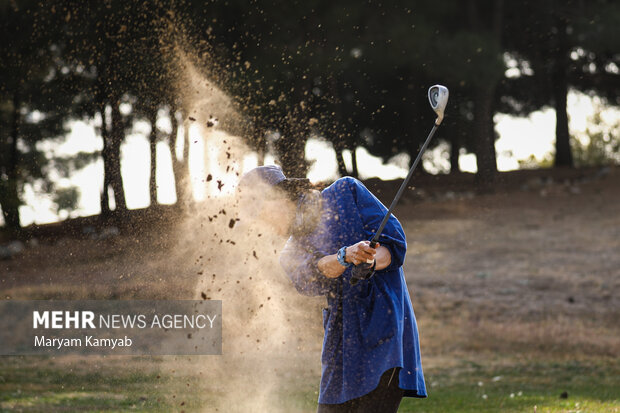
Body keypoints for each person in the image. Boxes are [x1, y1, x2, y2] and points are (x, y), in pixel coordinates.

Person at [237, 165, 427, 412]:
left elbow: (394, 246)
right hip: (340, 347)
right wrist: (345, 257)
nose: (262, 224)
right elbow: (318, 272)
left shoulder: (346, 191)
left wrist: (370, 261)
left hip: (383, 336)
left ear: (279, 199)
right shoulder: (290, 253)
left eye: (260, 213)